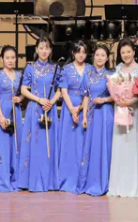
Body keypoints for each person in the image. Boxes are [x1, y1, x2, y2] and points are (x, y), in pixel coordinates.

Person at [108, 38, 138, 198]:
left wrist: (130, 101)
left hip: (135, 110)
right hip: (120, 109)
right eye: (123, 52)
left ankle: (135, 184)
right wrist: (119, 100)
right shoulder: (118, 68)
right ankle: (120, 184)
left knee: (134, 143)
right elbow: (114, 88)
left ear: (134, 52)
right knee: (121, 144)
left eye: (128, 51)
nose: (126, 54)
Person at [18, 36, 62, 192]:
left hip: (50, 109)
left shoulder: (56, 68)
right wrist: (39, 100)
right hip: (35, 108)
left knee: (49, 144)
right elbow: (24, 90)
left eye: (47, 48)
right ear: (36, 50)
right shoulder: (30, 68)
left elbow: (60, 90)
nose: (44, 51)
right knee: (35, 144)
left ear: (50, 50)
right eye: (41, 48)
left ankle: (50, 182)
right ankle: (32, 181)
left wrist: (51, 102)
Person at [77, 44, 115, 196]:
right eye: (97, 55)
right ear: (94, 57)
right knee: (91, 147)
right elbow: (86, 96)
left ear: (107, 58)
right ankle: (89, 181)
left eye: (103, 55)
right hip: (92, 114)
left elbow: (116, 97)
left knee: (104, 146)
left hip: (105, 114)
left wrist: (104, 100)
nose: (100, 58)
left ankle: (104, 182)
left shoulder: (111, 75)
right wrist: (84, 116)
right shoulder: (88, 74)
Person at [0, 45, 23, 193]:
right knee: (3, 147)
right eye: (7, 57)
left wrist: (20, 98)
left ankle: (16, 180)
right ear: (2, 59)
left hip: (16, 111)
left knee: (16, 146)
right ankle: (3, 182)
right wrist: (1, 116)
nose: (10, 60)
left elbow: (23, 93)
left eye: (13, 57)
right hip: (2, 110)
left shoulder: (20, 75)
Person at [57, 40, 89, 193]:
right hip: (69, 108)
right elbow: (63, 91)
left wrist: (80, 108)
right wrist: (72, 110)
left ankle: (82, 179)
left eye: (84, 52)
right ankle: (66, 178)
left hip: (86, 109)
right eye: (78, 51)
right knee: (68, 145)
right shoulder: (66, 69)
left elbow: (90, 92)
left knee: (83, 144)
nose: (81, 55)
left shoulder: (91, 69)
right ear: (73, 53)